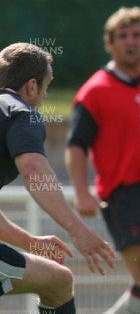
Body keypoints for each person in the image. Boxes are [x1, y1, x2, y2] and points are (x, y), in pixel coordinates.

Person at [65, 6, 140, 314]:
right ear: (109, 43)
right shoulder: (94, 91)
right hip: (122, 193)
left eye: (136, 35)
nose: (129, 41)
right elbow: (76, 146)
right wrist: (81, 192)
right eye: (121, 36)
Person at [0, 42, 116, 314]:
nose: (44, 95)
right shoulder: (20, 113)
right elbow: (33, 170)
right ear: (31, 86)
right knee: (58, 281)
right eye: (46, 86)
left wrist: (32, 243)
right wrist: (78, 231)